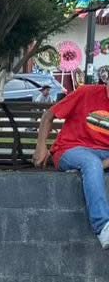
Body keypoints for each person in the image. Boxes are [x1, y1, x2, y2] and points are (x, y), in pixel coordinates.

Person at [33, 70, 109, 247]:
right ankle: (103, 227)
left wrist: (101, 164)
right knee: (90, 163)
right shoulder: (86, 93)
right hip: (71, 149)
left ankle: (89, 169)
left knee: (92, 165)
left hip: (103, 155)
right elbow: (48, 115)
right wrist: (41, 147)